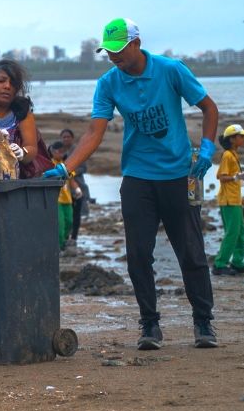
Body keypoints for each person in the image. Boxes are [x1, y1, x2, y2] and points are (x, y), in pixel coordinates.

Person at [46, 18, 220, 350]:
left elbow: (208, 108)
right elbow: (94, 132)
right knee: (138, 255)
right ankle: (150, 325)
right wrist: (66, 169)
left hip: (178, 176)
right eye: (108, 51)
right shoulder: (109, 82)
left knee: (191, 253)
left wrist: (208, 147)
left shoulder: (171, 70)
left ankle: (203, 322)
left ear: (136, 44)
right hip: (138, 177)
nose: (114, 57)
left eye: (119, 50)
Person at [212, 125, 244, 276]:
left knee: (240, 232)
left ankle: (237, 261)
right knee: (232, 232)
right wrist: (237, 177)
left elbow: (233, 177)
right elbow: (221, 177)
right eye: (240, 136)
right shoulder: (228, 155)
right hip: (228, 200)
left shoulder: (234, 155)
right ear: (232, 139)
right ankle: (219, 264)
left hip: (235, 199)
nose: (243, 138)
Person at [49, 141, 82, 250]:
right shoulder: (49, 163)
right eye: (59, 151)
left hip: (67, 199)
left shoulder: (66, 165)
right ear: (53, 151)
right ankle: (60, 247)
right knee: (60, 224)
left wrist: (77, 189)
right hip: (56, 199)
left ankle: (64, 242)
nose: (61, 154)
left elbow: (71, 179)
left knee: (69, 221)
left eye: (63, 152)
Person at [59, 129, 90, 243]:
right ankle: (65, 237)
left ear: (72, 138)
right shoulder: (59, 151)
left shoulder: (78, 151)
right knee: (66, 214)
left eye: (68, 137)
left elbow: (84, 168)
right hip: (63, 190)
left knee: (76, 214)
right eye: (64, 137)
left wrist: (70, 172)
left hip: (77, 187)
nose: (66, 139)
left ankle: (74, 237)